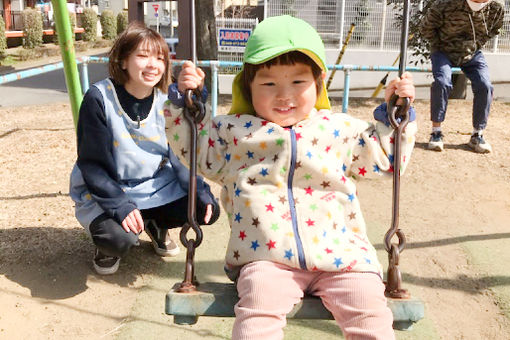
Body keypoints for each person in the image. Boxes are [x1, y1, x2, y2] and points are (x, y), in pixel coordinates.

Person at [165, 15, 417, 340]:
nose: (284, 95)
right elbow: (193, 147)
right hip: (267, 259)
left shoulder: (339, 130)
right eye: (269, 84)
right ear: (247, 87)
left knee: (370, 311)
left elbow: (386, 159)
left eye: (298, 83)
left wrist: (398, 115)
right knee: (258, 308)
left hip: (344, 258)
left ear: (319, 83)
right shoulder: (234, 134)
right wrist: (184, 104)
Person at [69, 22, 219, 275]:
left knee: (204, 208)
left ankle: (156, 224)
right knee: (119, 239)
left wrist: (199, 189)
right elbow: (93, 165)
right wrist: (119, 204)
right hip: (109, 189)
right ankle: (107, 246)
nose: (153, 65)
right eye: (142, 55)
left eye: (160, 58)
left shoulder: (166, 101)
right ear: (123, 61)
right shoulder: (99, 98)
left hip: (153, 185)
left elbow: (182, 150)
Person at [420, 0, 504, 153]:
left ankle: (477, 135)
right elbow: (426, 28)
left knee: (485, 85)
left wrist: (475, 44)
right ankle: (436, 133)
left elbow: (494, 29)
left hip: (472, 52)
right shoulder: (446, 4)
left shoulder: (496, 7)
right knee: (442, 82)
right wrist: (441, 44)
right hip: (443, 50)